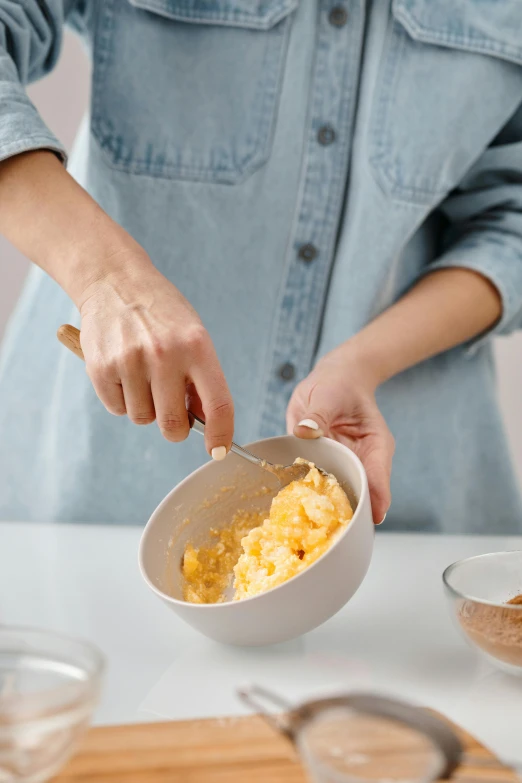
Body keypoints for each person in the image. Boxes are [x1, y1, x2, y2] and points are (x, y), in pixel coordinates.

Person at [0, 1, 521, 531]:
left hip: (407, 517)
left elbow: (512, 220)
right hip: (95, 508)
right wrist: (107, 277)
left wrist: (362, 363)